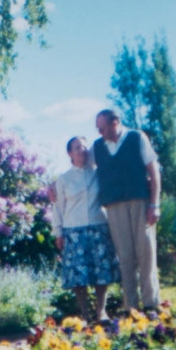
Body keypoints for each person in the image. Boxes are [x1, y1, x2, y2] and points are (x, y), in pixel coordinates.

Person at [92, 108, 162, 314]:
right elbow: (81, 166)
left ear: (115, 122)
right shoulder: (98, 146)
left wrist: (154, 204)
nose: (99, 133)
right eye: (97, 129)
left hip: (140, 201)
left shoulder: (136, 138)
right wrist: (54, 187)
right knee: (125, 255)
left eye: (102, 128)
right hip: (114, 206)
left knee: (146, 251)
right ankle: (130, 307)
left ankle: (151, 304)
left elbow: (154, 172)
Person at [49, 136, 120, 324]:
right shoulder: (63, 179)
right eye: (77, 148)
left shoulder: (98, 174)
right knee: (79, 276)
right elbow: (58, 207)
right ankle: (85, 314)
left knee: (101, 271)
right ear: (69, 153)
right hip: (74, 230)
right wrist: (58, 232)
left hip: (99, 227)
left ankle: (101, 311)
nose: (82, 151)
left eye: (85, 147)